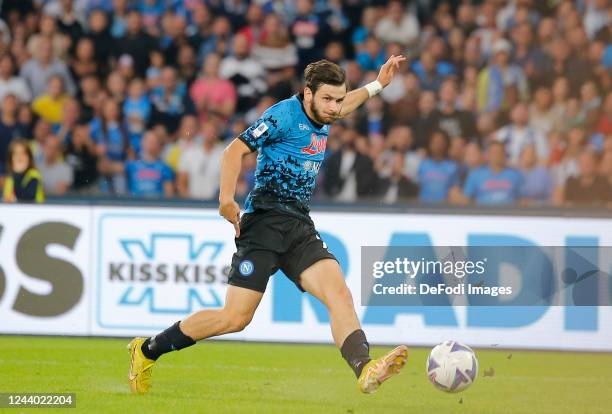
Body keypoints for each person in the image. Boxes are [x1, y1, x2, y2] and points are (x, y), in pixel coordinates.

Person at [127, 57, 409, 395]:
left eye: (338, 100)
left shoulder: (327, 109)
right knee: (235, 318)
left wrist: (379, 84)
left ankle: (365, 369)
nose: (335, 109)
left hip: (299, 225)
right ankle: (146, 350)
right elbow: (234, 151)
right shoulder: (282, 116)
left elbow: (348, 102)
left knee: (339, 293)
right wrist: (226, 199)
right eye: (328, 100)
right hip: (263, 223)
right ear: (308, 94)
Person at [2, 139, 44, 203]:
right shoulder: (10, 177)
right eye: (16, 154)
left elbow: (27, 198)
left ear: (29, 157)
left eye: (23, 153)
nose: (19, 157)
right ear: (11, 158)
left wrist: (17, 174)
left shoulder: (34, 175)